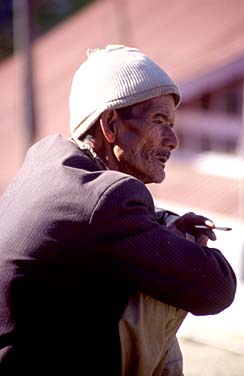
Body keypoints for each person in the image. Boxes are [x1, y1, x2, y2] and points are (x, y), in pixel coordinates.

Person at [0, 44, 236, 375]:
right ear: (110, 124)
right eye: (158, 120)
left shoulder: (49, 159)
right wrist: (185, 241)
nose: (172, 139)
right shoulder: (106, 200)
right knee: (158, 291)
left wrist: (167, 226)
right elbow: (215, 289)